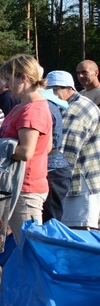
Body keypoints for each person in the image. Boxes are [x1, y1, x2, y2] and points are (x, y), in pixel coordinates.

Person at [0, 55, 51, 243]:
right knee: (21, 250)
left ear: (24, 78)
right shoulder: (22, 107)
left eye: (8, 79)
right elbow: (49, 146)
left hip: (25, 189)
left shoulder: (32, 110)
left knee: (30, 251)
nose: (5, 85)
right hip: (16, 187)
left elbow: (26, 151)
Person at [46, 70, 100, 229]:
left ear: (69, 89)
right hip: (71, 181)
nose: (50, 94)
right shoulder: (63, 105)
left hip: (80, 183)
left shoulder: (76, 111)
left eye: (54, 90)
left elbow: (65, 152)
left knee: (79, 235)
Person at [39, 87, 72, 222]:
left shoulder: (45, 107)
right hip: (53, 168)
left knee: (51, 223)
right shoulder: (48, 105)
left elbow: (47, 144)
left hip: (53, 170)